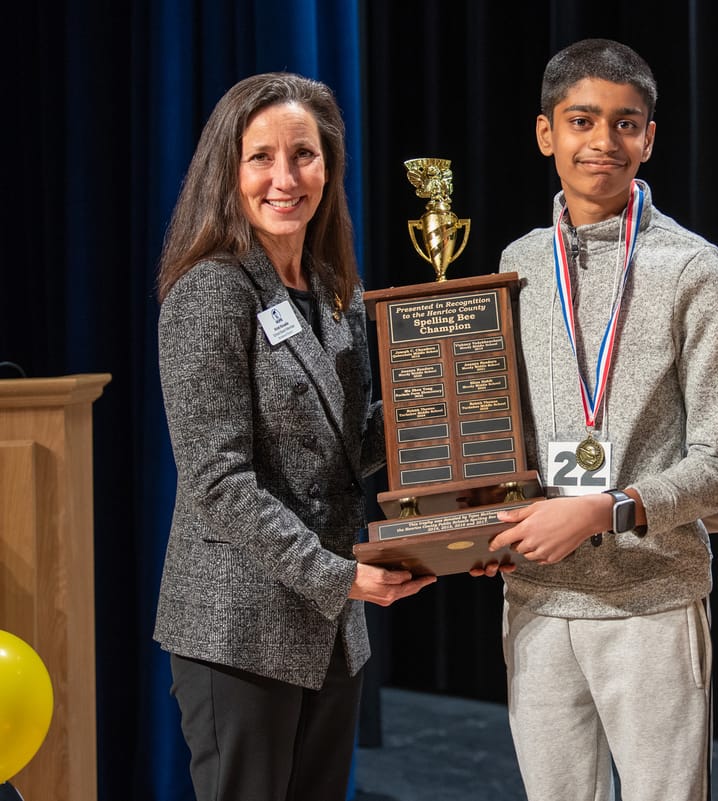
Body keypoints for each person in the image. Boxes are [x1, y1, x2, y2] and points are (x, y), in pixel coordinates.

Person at [153, 72, 436, 801]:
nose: (285, 178)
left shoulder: (335, 289)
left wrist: (437, 399)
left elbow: (346, 449)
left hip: (329, 631)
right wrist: (340, 576)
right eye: (261, 158)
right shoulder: (211, 290)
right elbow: (218, 483)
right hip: (240, 627)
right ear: (229, 170)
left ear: (329, 167)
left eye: (304, 155)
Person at [483, 38, 718, 801]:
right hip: (536, 596)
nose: (603, 141)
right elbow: (500, 433)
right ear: (545, 133)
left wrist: (607, 509)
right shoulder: (518, 262)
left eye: (625, 123)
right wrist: (478, 518)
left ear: (649, 138)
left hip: (652, 598)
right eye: (582, 120)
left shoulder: (693, 266)